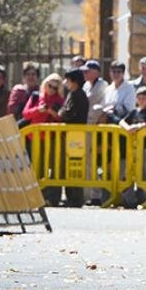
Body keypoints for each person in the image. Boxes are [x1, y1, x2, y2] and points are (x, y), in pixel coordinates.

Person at [52, 68, 89, 208]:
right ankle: (70, 196)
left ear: (75, 81)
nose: (65, 82)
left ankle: (75, 197)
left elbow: (68, 113)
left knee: (73, 165)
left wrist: (60, 112)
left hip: (75, 135)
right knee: (69, 164)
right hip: (71, 135)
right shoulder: (72, 94)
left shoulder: (78, 95)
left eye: (68, 80)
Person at [81, 60, 108, 124]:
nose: (84, 73)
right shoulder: (86, 84)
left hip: (98, 119)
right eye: (84, 71)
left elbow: (91, 99)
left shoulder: (102, 84)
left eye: (87, 71)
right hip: (87, 117)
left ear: (96, 73)